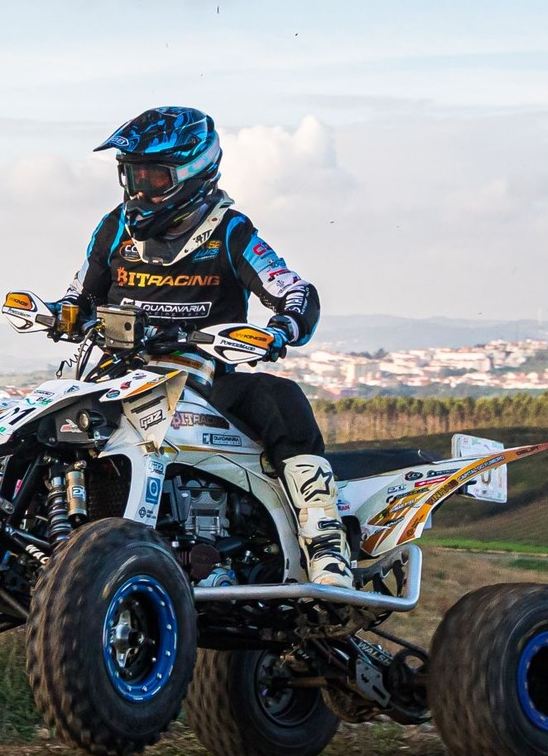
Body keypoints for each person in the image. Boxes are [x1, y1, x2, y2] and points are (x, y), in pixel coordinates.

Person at [59, 106, 346, 584]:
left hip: (207, 382)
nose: (139, 188)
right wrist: (62, 311)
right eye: (131, 175)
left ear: (193, 171)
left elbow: (294, 290)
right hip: (115, 378)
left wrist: (282, 329)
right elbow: (80, 292)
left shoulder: (230, 230)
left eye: (153, 176)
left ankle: (325, 543)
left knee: (282, 398)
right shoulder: (114, 228)